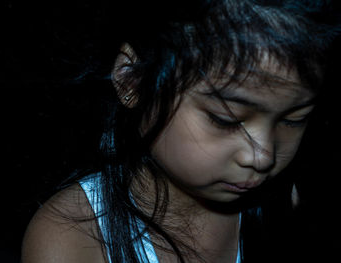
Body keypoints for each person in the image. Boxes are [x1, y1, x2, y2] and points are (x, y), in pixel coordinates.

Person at [21, 1, 340, 262]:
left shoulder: (286, 205)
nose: (263, 156)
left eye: (294, 119)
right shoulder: (72, 238)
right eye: (225, 120)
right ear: (133, 80)